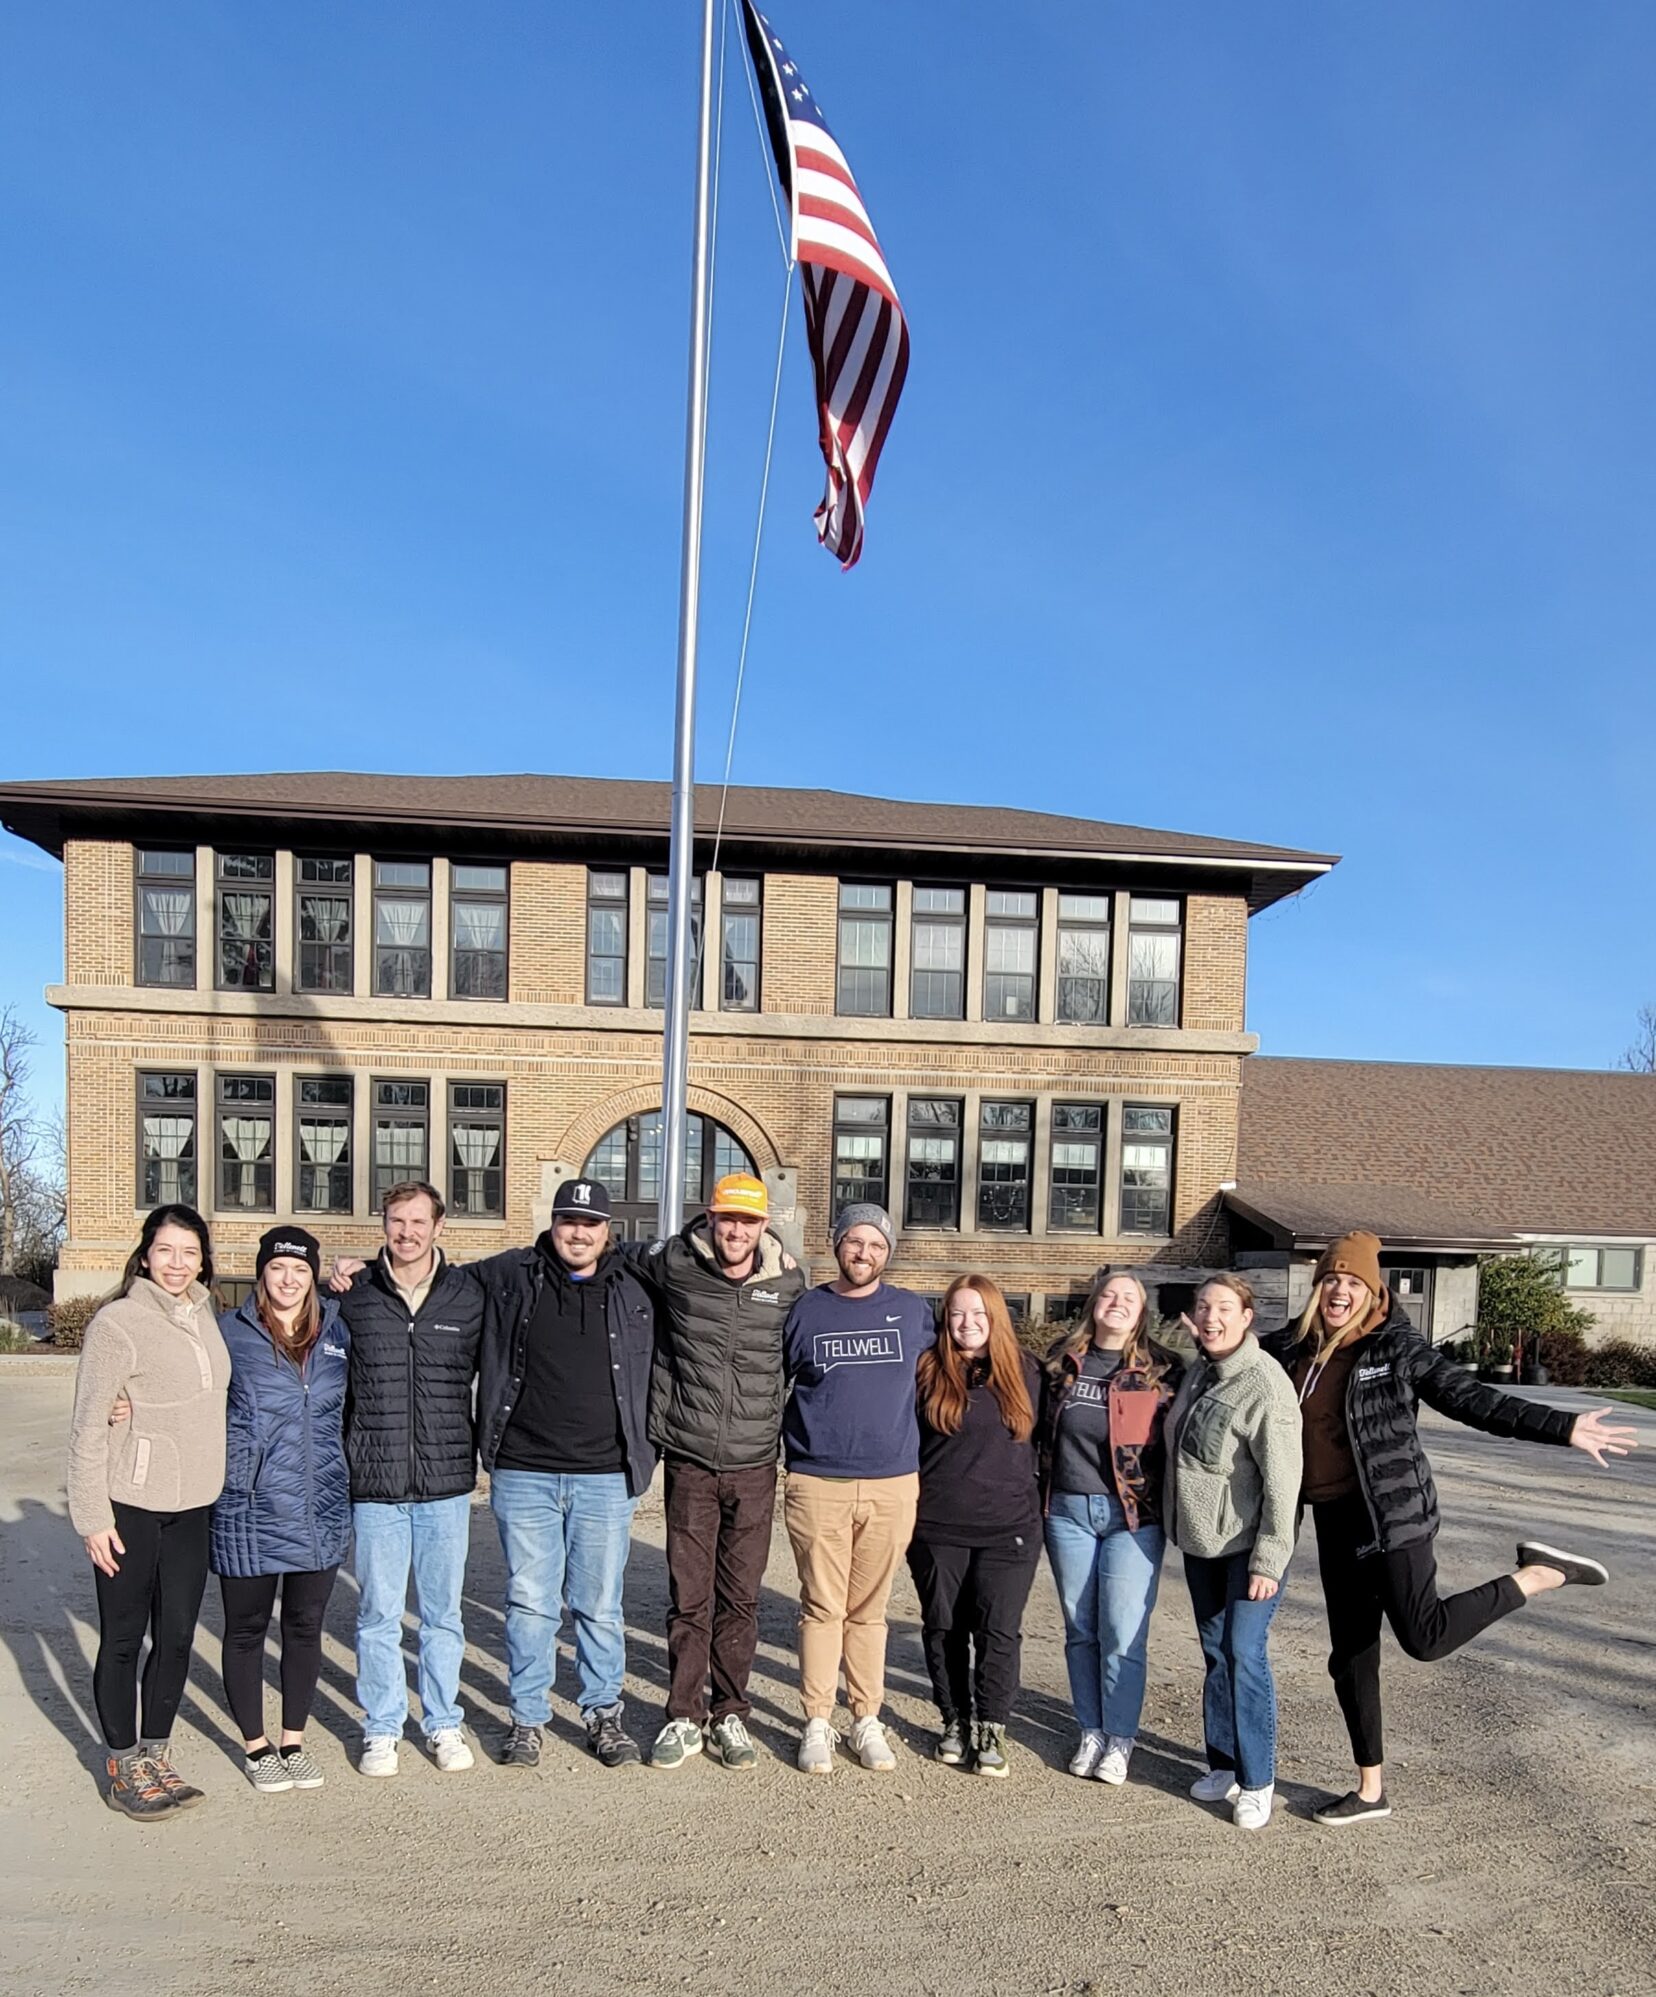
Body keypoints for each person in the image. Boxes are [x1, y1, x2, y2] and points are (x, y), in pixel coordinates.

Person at [1264, 1230, 1638, 1829]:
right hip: (1333, 1519)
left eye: (1353, 1281)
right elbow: (1228, 1368)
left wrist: (1563, 1428)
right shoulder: (1288, 1349)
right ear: (1317, 1286)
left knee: (1426, 1638)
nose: (1340, 1289)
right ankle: (1370, 1790)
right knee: (1352, 1656)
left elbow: (1474, 1400)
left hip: (1393, 1515)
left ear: (1372, 1289)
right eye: (1332, 1278)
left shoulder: (1395, 1348)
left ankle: (1539, 1575)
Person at [472, 1177, 659, 1770]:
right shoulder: (510, 1274)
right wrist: (357, 1269)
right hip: (524, 1469)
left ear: (609, 1231)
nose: (578, 1232)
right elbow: (431, 1273)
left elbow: (703, 1261)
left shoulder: (636, 1284)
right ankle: (527, 1717)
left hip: (605, 1472)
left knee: (599, 1604)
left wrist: (775, 1255)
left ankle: (603, 1713)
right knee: (530, 1601)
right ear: (553, 1224)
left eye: (591, 1223)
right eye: (568, 1221)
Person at [630, 1174, 804, 1772]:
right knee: (689, 1596)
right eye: (727, 1219)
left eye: (748, 1221)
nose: (736, 1231)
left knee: (741, 1597)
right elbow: (596, 1253)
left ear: (764, 1225)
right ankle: (683, 1715)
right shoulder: (674, 1264)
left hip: (756, 1465)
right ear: (710, 1217)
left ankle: (730, 1711)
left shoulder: (787, 1283)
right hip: (691, 1460)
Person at [65, 1205, 231, 1820]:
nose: (178, 1264)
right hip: (129, 1508)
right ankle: (121, 1761)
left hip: (193, 1509)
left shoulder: (206, 1314)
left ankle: (156, 1753)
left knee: (179, 1638)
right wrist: (92, 1517)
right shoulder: (118, 1322)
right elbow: (86, 1425)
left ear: (203, 1261)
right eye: (166, 1251)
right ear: (145, 1253)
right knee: (123, 1641)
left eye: (189, 1253)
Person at [334, 1180, 485, 1778]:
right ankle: (382, 1728)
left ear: (438, 1227)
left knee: (444, 1616)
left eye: (418, 1222)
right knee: (377, 1615)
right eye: (397, 1221)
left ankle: (443, 1722)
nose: (407, 1233)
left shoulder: (467, 1295)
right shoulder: (355, 1294)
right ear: (384, 1225)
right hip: (376, 1485)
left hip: (446, 1484)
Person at [781, 1202, 933, 1776]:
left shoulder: (913, 1313)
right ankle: (817, 1719)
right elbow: (772, 1383)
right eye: (854, 1242)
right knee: (822, 1606)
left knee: (869, 1611)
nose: (863, 1253)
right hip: (818, 1480)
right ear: (837, 1244)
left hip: (893, 1481)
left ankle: (866, 1717)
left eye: (875, 1244)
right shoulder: (807, 1312)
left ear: (887, 1252)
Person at [210, 1227, 350, 1793]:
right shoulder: (229, 1333)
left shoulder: (338, 1330)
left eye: (299, 1269)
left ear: (312, 1274)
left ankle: (292, 1739)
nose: (288, 1279)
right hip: (250, 1506)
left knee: (303, 1627)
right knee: (245, 1629)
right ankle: (256, 1745)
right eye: (276, 1269)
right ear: (262, 1273)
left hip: (320, 1502)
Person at [1164, 1273, 1303, 1831]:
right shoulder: (1200, 1371)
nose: (1212, 1317)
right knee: (1216, 1652)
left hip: (1250, 1550)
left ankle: (1257, 1780)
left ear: (1249, 1317)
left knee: (1245, 1653)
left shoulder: (1265, 1383)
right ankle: (1221, 1761)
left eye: (1224, 1308)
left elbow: (1284, 1481)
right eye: (1204, 1308)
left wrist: (1270, 1559)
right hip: (1204, 1545)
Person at [1039, 1270, 1182, 1787]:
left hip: (1132, 1521)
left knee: (1122, 1633)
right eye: (1109, 1294)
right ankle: (1091, 1730)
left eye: (1129, 1298)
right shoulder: (1060, 1363)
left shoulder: (1163, 1371)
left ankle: (1121, 1739)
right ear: (1093, 1304)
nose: (1117, 1303)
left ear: (1141, 1312)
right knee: (1080, 1631)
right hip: (1068, 1515)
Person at [907, 1273, 1041, 1778]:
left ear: (996, 1318)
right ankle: (954, 1719)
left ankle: (991, 1726)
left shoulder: (1027, 1373)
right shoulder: (926, 1370)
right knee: (944, 1628)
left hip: (1009, 1529)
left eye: (979, 1314)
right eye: (958, 1313)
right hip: (938, 1526)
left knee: (998, 1630)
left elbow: (1046, 1445)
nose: (968, 1324)